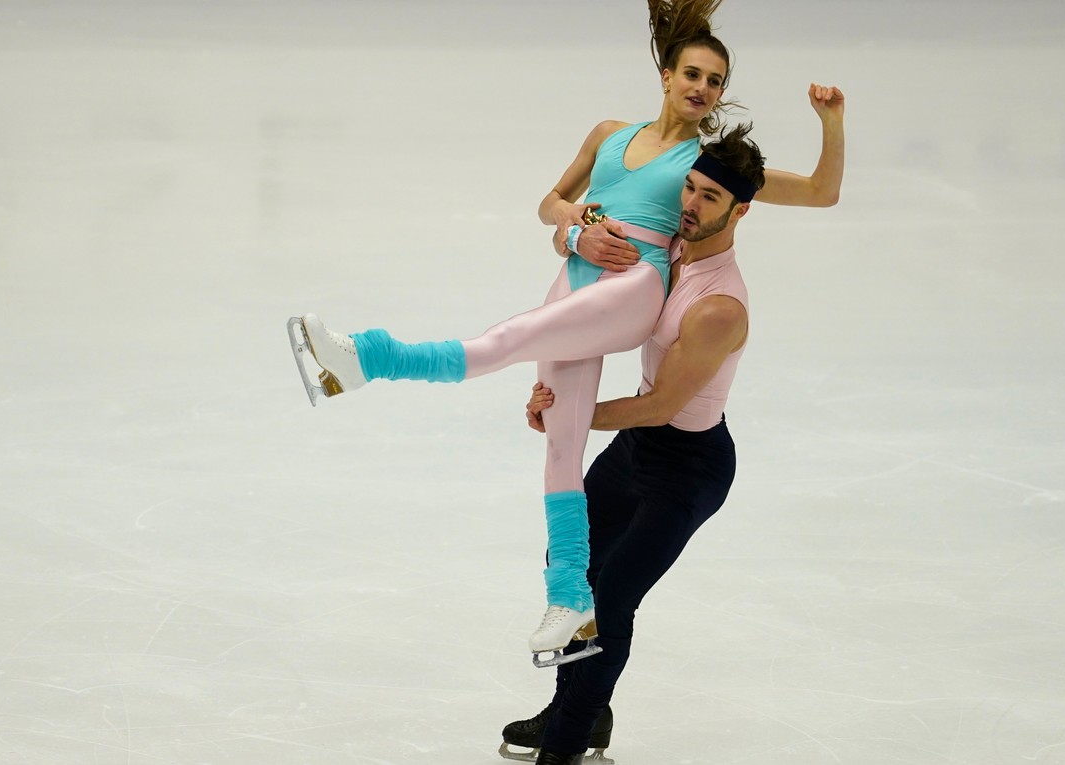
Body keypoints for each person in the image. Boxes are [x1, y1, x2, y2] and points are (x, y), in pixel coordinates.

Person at [286, 0, 845, 667]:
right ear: (666, 75)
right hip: (578, 278)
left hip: (633, 288)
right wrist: (575, 229)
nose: (702, 88)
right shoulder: (609, 133)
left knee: (504, 341)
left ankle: (362, 358)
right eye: (692, 73)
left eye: (715, 81)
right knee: (561, 439)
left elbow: (819, 192)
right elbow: (550, 204)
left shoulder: (708, 162)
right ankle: (569, 603)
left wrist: (831, 123)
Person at [500, 123, 782, 765]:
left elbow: (661, 404)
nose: (689, 204)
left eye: (710, 198)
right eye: (689, 187)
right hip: (636, 449)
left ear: (741, 211)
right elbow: (568, 247)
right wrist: (573, 232)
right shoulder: (672, 252)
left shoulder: (719, 307)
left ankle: (567, 747)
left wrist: (574, 417)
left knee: (612, 601)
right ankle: (579, 712)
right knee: (573, 571)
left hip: (688, 469)